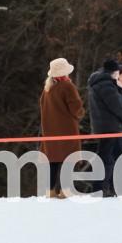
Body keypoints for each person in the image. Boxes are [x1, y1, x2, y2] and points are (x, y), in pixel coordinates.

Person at [40, 58, 84, 198]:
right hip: (67, 130)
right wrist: (80, 113)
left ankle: (51, 191)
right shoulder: (67, 86)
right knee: (68, 160)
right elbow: (75, 108)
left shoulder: (47, 89)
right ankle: (65, 191)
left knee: (52, 161)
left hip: (50, 131)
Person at [88, 58, 122, 195]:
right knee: (107, 157)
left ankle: (110, 186)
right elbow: (116, 106)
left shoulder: (97, 83)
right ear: (114, 72)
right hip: (110, 127)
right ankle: (99, 187)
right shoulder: (106, 85)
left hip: (102, 126)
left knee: (114, 156)